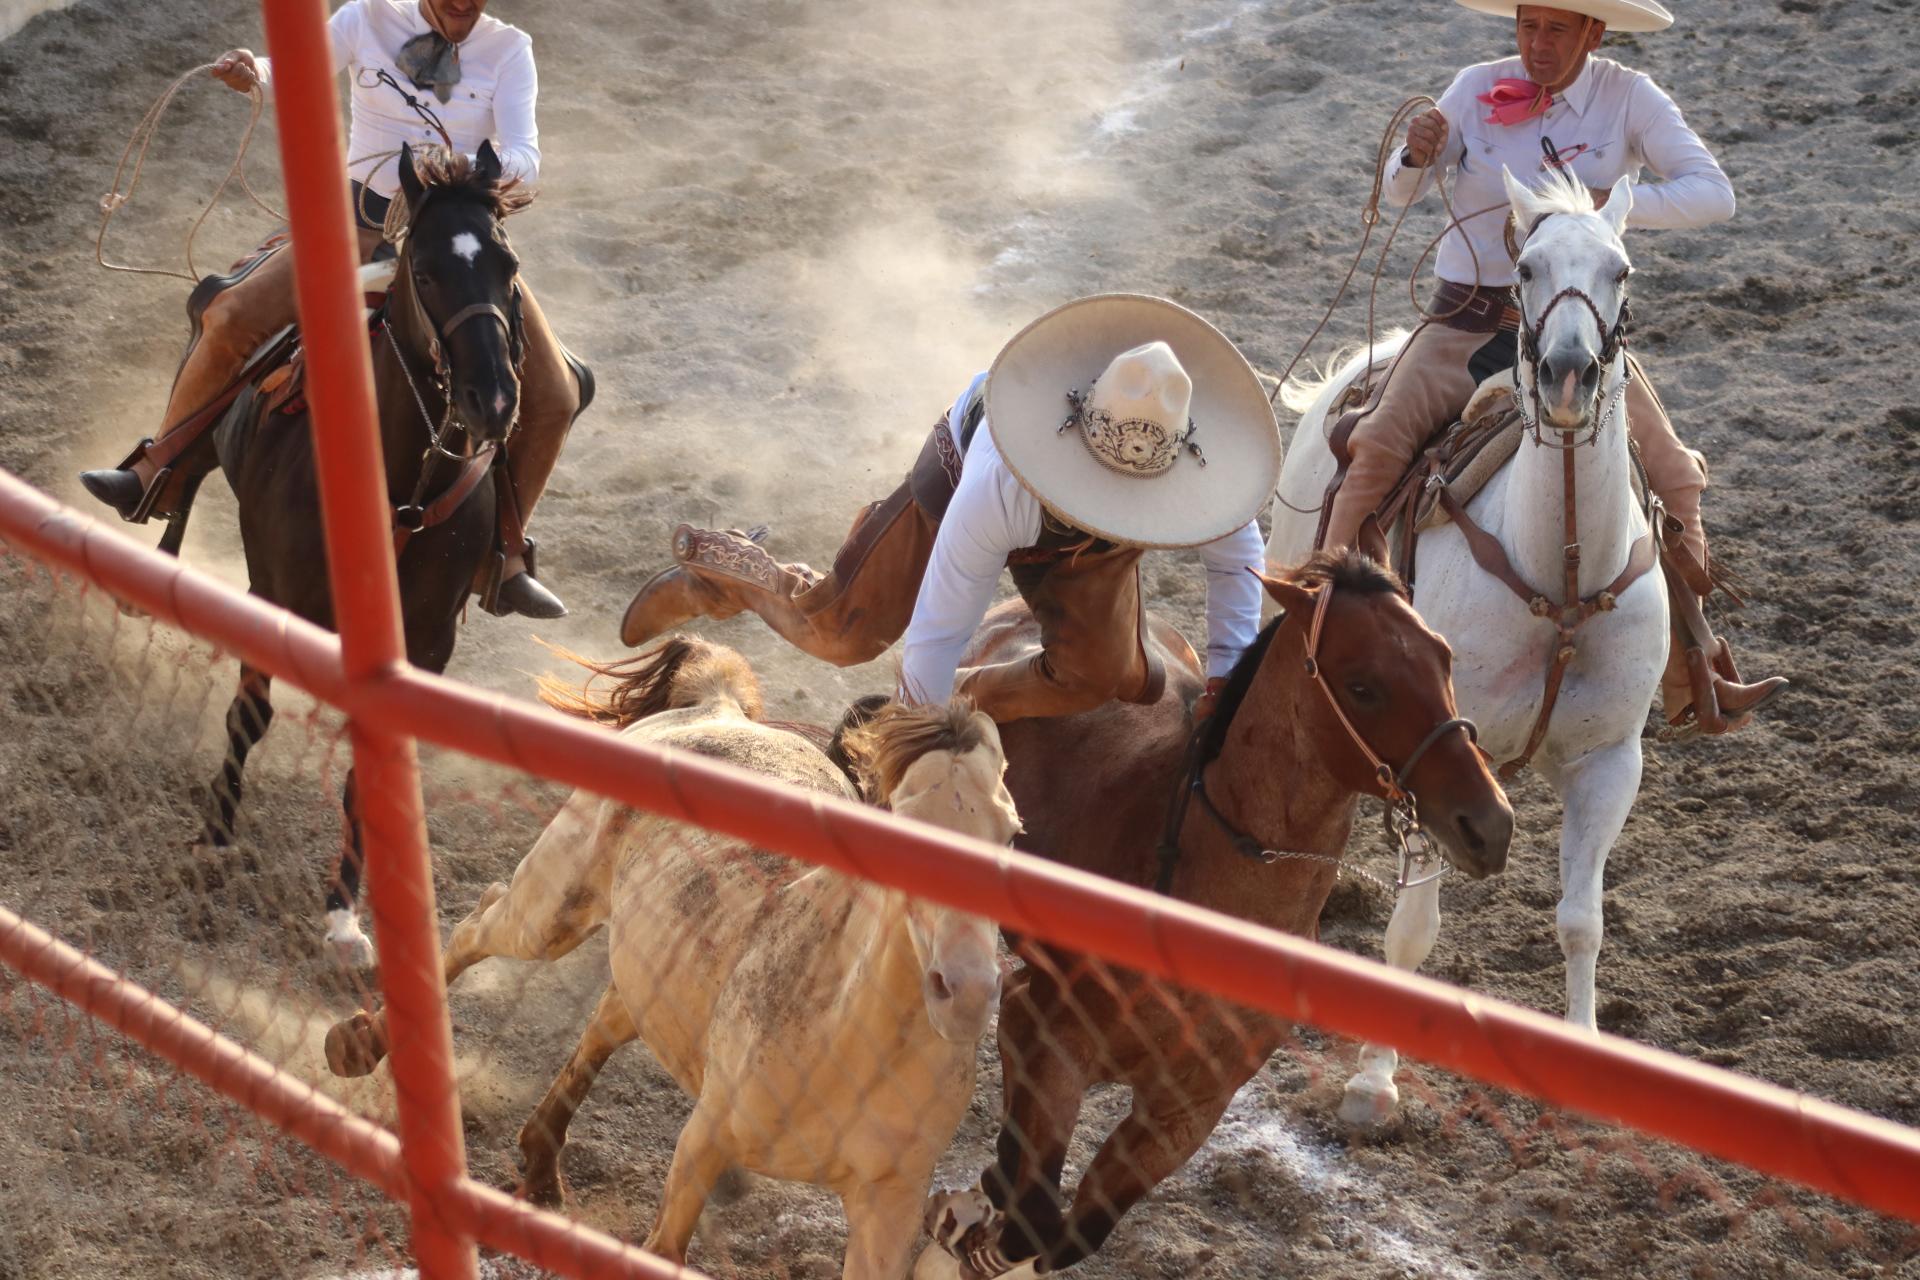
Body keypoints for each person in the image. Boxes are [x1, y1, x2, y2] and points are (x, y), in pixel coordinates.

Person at [1321, 0, 1782, 735]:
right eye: (1527, 25)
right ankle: (1315, 631)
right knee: (1374, 447)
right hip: (1467, 323)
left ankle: (1695, 664)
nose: (1537, 43)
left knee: (1673, 472)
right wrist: (1414, 152)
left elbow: (1713, 194)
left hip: (1578, 329)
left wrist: (1599, 204)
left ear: (1593, 34)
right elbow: (1402, 189)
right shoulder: (1475, 86)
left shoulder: (1631, 97)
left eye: (1556, 29)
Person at [80, 0, 582, 619]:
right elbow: (299, 65)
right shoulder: (366, 17)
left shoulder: (509, 49)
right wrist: (254, 72)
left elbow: (527, 154)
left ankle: (500, 556)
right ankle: (158, 470)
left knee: (555, 395)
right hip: (359, 230)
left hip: (454, 242)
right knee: (233, 316)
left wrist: (471, 171)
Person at [620, 295, 1281, 723]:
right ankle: (729, 573)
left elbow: (1239, 555)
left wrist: (1227, 672)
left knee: (1114, 678)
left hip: (1080, 547)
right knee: (846, 634)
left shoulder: (1191, 467)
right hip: (972, 471)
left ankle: (975, 701)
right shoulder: (997, 486)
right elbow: (935, 635)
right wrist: (914, 739)